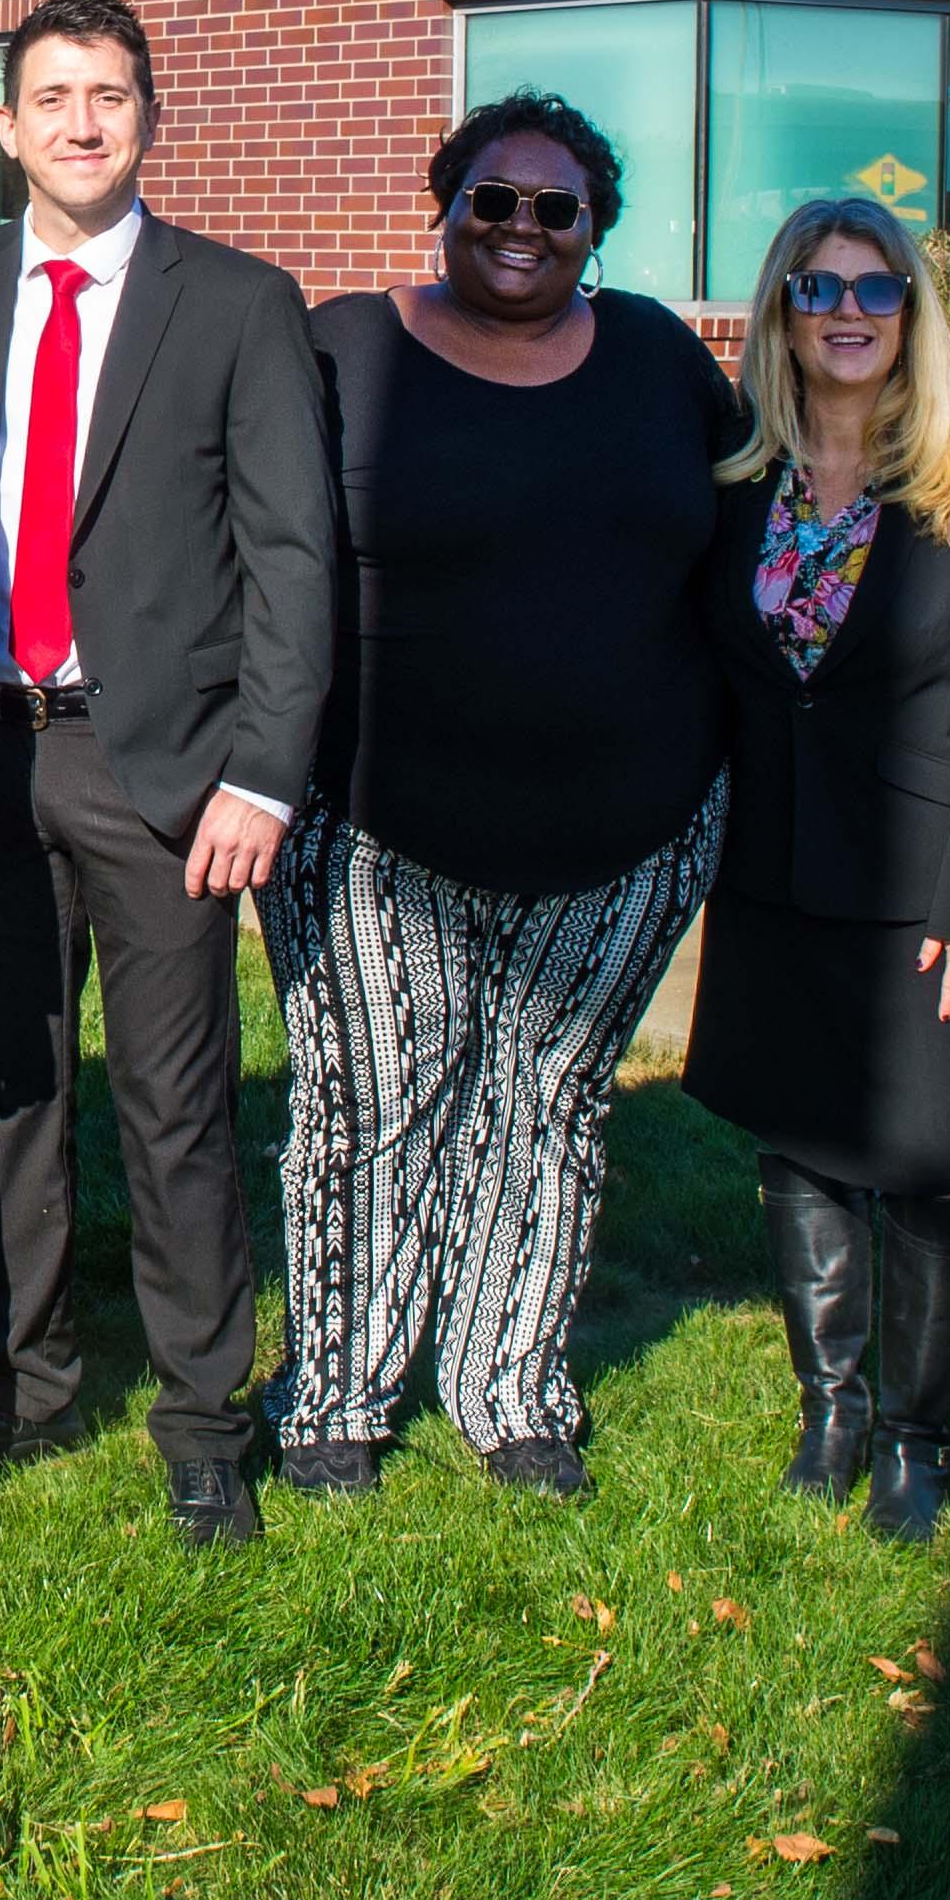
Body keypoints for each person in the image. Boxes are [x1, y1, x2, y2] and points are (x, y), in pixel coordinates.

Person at [0, 0, 334, 1548]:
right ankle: (27, 1383)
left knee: (176, 1105)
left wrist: (262, 778)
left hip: (163, 772)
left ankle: (205, 1416)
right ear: (8, 128)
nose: (84, 124)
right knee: (13, 1090)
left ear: (150, 120)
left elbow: (294, 561)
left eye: (113, 98)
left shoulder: (236, 301)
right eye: (54, 98)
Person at [265, 92, 736, 1500]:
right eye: (492, 201)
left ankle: (509, 1383)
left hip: (630, 826)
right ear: (445, 206)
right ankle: (337, 1393)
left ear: (596, 228)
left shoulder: (657, 356)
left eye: (556, 208)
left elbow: (765, 508)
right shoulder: (346, 346)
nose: (522, 229)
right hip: (373, 821)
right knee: (374, 1102)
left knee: (551, 1101)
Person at [686, 196, 950, 1544]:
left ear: (912, 316)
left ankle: (914, 1436)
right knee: (805, 1138)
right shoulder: (740, 487)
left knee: (936, 1156)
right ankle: (830, 1410)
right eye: (819, 288)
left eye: (876, 290)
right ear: (782, 312)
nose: (848, 313)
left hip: (920, 887)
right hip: (776, 872)